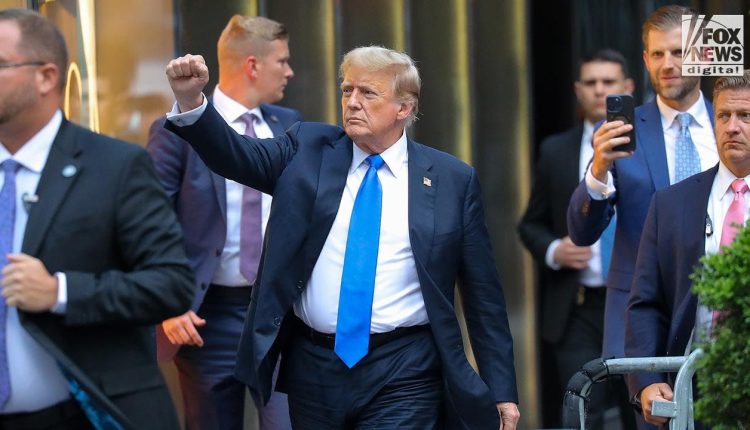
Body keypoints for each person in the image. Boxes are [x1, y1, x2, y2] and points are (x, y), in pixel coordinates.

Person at [163, 46, 520, 429]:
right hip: (314, 366)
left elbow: (483, 296)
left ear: (403, 108)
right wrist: (192, 102)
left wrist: (502, 391)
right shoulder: (306, 149)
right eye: (347, 90)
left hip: (405, 368)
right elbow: (236, 155)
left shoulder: (451, 180)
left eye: (368, 93)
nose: (352, 102)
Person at [0, 9, 193, 430]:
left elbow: (171, 284)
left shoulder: (115, 167)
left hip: (83, 414)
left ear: (46, 77)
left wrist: (60, 292)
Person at [148, 15, 300, 430]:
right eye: (282, 61)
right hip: (206, 318)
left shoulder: (290, 125)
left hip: (277, 313)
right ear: (253, 65)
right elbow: (151, 222)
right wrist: (167, 302)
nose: (289, 71)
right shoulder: (177, 128)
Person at [567, 4, 718, 365]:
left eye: (679, 52)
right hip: (641, 323)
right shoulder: (621, 131)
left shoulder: (730, 126)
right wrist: (599, 170)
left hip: (720, 315)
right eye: (658, 54)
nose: (668, 64)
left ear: (705, 56)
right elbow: (582, 232)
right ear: (646, 60)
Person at [625, 70, 750, 427]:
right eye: (723, 115)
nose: (732, 127)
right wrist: (647, 381)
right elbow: (646, 303)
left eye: (745, 116)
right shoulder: (670, 204)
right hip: (693, 388)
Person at [518, 48, 634, 429]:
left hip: (636, 306)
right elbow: (530, 224)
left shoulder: (648, 147)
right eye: (590, 82)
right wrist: (555, 250)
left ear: (628, 87)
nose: (599, 90)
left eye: (609, 82)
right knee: (583, 414)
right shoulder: (555, 150)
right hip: (577, 308)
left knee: (642, 413)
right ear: (577, 90)